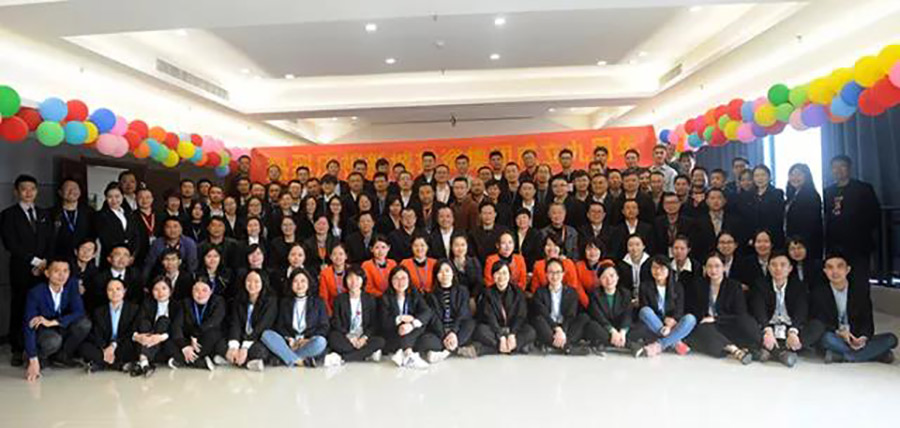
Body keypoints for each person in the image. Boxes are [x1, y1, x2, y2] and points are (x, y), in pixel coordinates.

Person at [1, 175, 54, 366]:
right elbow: (10, 243)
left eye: (32, 188)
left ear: (37, 191)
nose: (29, 192)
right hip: (21, 269)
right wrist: (35, 262)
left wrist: (45, 263)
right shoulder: (8, 214)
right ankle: (17, 348)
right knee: (20, 307)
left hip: (45, 270)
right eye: (24, 189)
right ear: (16, 192)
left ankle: (40, 348)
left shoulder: (44, 213)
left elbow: (51, 240)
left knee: (43, 307)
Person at [812, 253, 896, 364]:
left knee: (891, 339)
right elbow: (819, 322)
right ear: (825, 271)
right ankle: (876, 354)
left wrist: (863, 338)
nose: (835, 271)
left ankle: (843, 356)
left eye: (839, 266)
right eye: (830, 267)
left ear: (847, 270)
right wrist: (839, 332)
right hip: (836, 336)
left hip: (855, 336)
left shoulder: (860, 291)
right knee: (826, 339)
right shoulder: (818, 293)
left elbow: (867, 321)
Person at [749, 251, 823, 368]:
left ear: (790, 268)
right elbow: (759, 310)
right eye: (774, 265)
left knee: (817, 325)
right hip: (769, 326)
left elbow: (801, 311)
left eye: (783, 265)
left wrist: (793, 331)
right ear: (768, 267)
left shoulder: (799, 286)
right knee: (747, 323)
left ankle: (770, 350)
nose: (778, 268)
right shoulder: (760, 285)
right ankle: (783, 353)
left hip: (790, 327)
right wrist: (767, 330)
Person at [22, 258, 91, 381]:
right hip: (44, 331)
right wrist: (33, 359)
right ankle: (36, 356)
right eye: (56, 271)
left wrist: (55, 322)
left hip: (59, 325)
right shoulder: (36, 292)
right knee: (53, 340)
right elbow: (29, 326)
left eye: (65, 271)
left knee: (84, 324)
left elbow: (79, 311)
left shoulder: (71, 285)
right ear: (47, 273)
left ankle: (62, 356)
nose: (61, 275)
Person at [682, 253, 756, 364]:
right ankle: (734, 350)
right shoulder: (698, 284)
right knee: (702, 330)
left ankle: (732, 346)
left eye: (717, 266)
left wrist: (716, 319)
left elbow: (740, 313)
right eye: (709, 266)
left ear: (724, 267)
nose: (713, 270)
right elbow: (692, 309)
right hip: (707, 326)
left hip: (726, 322)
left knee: (746, 322)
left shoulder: (734, 286)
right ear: (705, 268)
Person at [823, 155, 880, 290]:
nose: (838, 170)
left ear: (849, 168)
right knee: (839, 282)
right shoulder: (828, 192)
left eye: (842, 166)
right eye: (835, 167)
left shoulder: (863, 188)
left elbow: (874, 215)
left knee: (859, 281)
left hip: (858, 244)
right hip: (835, 244)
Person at [261, 269, 330, 367]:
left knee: (321, 342)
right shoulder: (284, 302)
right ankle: (299, 361)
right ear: (291, 284)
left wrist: (307, 340)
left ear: (309, 283)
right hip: (289, 343)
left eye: (303, 281)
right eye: (295, 281)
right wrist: (290, 340)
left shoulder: (318, 302)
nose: (299, 285)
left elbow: (324, 326)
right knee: (266, 334)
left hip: (308, 342)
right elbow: (280, 326)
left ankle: (285, 357)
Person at [634, 256, 695, 357]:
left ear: (668, 270)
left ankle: (660, 345)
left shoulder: (677, 286)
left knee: (690, 319)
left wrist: (670, 325)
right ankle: (676, 342)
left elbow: (679, 310)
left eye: (662, 268)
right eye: (654, 267)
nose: (658, 271)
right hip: (655, 322)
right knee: (644, 311)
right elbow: (645, 308)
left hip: (672, 322)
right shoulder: (645, 286)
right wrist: (664, 321)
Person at [215, 270, 276, 371]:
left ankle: (233, 360)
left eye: (256, 281)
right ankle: (247, 362)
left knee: (260, 351)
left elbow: (262, 326)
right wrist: (234, 346)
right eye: (249, 281)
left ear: (263, 283)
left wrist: (245, 347)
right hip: (241, 336)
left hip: (257, 338)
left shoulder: (270, 301)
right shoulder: (239, 299)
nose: (252, 284)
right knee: (219, 344)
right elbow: (235, 323)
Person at [325, 266, 386, 364]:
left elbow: (373, 323)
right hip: (346, 336)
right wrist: (349, 336)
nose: (353, 282)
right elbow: (336, 322)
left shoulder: (370, 299)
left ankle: (342, 357)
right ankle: (366, 353)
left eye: (357, 278)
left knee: (380, 341)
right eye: (350, 278)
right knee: (333, 338)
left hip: (363, 336)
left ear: (363, 280)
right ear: (345, 280)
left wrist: (364, 338)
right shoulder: (339, 299)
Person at [473, 261, 536, 355]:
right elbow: (489, 317)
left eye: (504, 273)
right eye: (497, 273)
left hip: (512, 328)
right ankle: (515, 347)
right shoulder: (487, 293)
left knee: (530, 331)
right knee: (480, 330)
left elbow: (521, 316)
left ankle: (491, 349)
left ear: (509, 275)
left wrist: (512, 334)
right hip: (495, 329)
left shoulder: (518, 292)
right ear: (493, 276)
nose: (501, 276)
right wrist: (501, 336)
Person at [421, 260, 479, 361]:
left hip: (458, 329)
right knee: (425, 340)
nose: (444, 274)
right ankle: (455, 348)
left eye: (447, 270)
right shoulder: (431, 295)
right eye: (440, 272)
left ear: (453, 273)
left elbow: (463, 313)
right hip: (441, 330)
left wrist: (453, 332)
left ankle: (445, 351)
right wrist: (444, 335)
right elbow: (434, 319)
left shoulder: (462, 290)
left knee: (471, 324)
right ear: (436, 276)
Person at [531, 258, 590, 355]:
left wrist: (562, 332)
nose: (554, 276)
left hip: (566, 326)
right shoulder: (540, 292)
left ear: (563, 274)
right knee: (538, 320)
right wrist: (556, 329)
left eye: (558, 272)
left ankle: (556, 345)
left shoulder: (571, 292)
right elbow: (543, 314)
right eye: (551, 272)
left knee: (584, 318)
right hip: (549, 325)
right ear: (546, 274)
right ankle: (567, 347)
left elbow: (570, 315)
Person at [79, 278, 139, 372]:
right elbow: (97, 333)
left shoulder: (134, 309)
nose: (114, 292)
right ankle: (117, 364)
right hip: (105, 345)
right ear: (106, 292)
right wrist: (105, 349)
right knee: (84, 347)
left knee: (134, 346)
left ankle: (101, 363)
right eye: (110, 290)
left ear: (124, 291)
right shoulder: (99, 311)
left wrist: (113, 346)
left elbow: (131, 332)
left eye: (118, 289)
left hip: (122, 344)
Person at [379, 266, 432, 368]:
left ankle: (405, 353)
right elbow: (384, 322)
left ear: (409, 280)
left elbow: (427, 311)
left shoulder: (414, 293)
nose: (400, 282)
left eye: (403, 278)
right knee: (403, 330)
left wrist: (411, 324)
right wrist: (399, 319)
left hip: (412, 330)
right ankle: (409, 354)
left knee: (421, 324)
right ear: (390, 281)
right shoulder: (385, 297)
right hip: (394, 332)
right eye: (396, 278)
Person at [582, 264, 641, 353]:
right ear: (599, 280)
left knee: (642, 326)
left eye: (612, 275)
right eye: (604, 277)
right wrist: (612, 331)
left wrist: (622, 332)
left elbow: (627, 315)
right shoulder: (594, 294)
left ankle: (610, 342)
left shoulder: (625, 293)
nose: (609, 280)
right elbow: (598, 316)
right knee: (591, 326)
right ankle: (628, 344)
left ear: (617, 277)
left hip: (620, 327)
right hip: (605, 328)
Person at [170, 279, 226, 371]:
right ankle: (199, 362)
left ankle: (181, 359)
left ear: (211, 291)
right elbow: (177, 325)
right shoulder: (185, 303)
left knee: (213, 334)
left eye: (204, 290)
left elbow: (214, 321)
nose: (200, 293)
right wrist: (184, 346)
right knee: (170, 341)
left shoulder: (218, 301)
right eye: (196, 290)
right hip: (189, 340)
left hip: (207, 337)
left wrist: (195, 334)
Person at [130, 276, 179, 377]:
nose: (160, 292)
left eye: (164, 288)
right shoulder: (147, 303)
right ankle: (145, 363)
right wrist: (137, 336)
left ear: (171, 290)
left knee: (163, 321)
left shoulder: (176, 305)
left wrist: (159, 337)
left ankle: (142, 362)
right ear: (151, 291)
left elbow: (176, 328)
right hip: (146, 337)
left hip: (165, 340)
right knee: (144, 323)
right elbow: (137, 322)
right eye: (156, 289)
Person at [736, 165, 785, 249]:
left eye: (763, 175)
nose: (760, 178)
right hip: (752, 238)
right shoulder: (747, 195)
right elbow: (745, 218)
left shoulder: (777, 193)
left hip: (772, 236)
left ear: (769, 177)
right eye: (757, 175)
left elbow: (777, 218)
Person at [785, 163, 823, 259]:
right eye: (792, 175)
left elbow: (811, 223)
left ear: (806, 176)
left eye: (799, 174)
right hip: (793, 242)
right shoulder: (792, 195)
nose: (795, 178)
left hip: (805, 243)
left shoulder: (812, 195)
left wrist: (799, 242)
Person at [95, 183, 139, 265]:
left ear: (122, 196)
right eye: (110, 197)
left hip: (129, 257)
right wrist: (119, 255)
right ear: (106, 198)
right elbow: (105, 239)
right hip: (112, 257)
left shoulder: (129, 214)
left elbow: (135, 235)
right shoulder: (101, 215)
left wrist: (132, 254)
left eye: (117, 196)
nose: (114, 200)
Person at [88, 244, 141, 311]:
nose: (122, 258)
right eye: (117, 254)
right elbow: (97, 302)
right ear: (109, 259)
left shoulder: (135, 275)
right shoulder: (99, 278)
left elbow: (137, 298)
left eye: (126, 255)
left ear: (130, 260)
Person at [50, 178, 94, 258]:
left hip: (83, 258)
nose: (71, 191)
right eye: (67, 189)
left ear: (80, 192)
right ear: (60, 192)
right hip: (58, 259)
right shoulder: (51, 213)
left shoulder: (90, 213)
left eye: (75, 188)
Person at [617, 234, 651, 305]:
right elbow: (621, 286)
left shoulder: (650, 263)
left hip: (647, 299)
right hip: (627, 300)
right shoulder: (621, 265)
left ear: (643, 246)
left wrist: (642, 299)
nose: (634, 248)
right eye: (630, 245)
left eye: (637, 244)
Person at [449, 233, 484, 302]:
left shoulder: (474, 262)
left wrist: (472, 298)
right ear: (451, 247)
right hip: (454, 300)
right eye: (456, 245)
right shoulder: (448, 264)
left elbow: (479, 283)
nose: (460, 248)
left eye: (463, 245)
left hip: (473, 299)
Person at [318, 244, 350, 315]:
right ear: (330, 257)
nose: (338, 257)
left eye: (341, 254)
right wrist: (330, 314)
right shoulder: (325, 273)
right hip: (332, 309)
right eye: (334, 254)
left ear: (346, 256)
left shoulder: (352, 271)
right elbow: (323, 297)